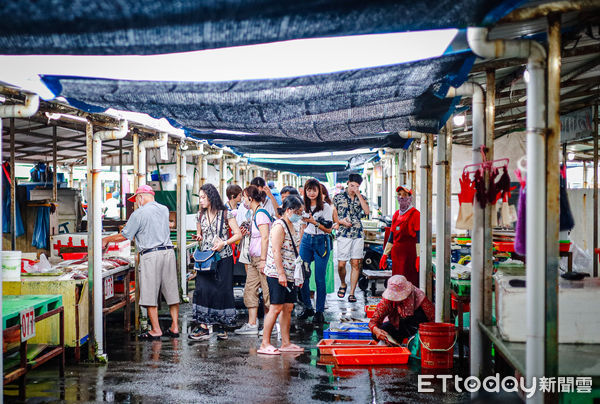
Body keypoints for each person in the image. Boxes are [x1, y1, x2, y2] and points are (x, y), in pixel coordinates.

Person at [102, 185, 179, 340]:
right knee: (171, 291)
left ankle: (156, 330)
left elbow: (125, 235)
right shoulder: (164, 209)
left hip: (151, 256)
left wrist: (105, 239)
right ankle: (175, 326)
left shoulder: (138, 213)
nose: (136, 203)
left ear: (141, 197)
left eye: (136, 200)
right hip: (168, 253)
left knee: (150, 293)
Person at [190, 183, 242, 341]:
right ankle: (204, 327)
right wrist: (198, 237)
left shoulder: (226, 214)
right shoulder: (199, 215)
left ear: (211, 197)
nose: (201, 200)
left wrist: (224, 243)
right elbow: (200, 234)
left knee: (222, 291)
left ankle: (221, 327)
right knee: (203, 290)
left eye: (203, 197)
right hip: (205, 259)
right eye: (199, 197)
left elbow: (238, 235)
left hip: (223, 259)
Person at [258, 195, 305, 355]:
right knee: (275, 307)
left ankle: (286, 343)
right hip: (277, 273)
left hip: (291, 272)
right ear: (288, 210)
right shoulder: (279, 226)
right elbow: (276, 251)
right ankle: (265, 343)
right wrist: (281, 274)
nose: (300, 214)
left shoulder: (295, 225)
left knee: (288, 307)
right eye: (298, 211)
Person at [235, 185, 273, 335]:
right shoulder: (253, 214)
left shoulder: (261, 214)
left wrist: (263, 260)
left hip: (261, 259)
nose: (243, 200)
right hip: (253, 259)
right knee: (250, 289)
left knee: (267, 291)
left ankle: (271, 325)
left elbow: (265, 237)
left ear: (250, 198)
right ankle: (252, 324)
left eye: (244, 197)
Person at [297, 179, 333, 324]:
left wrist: (314, 222)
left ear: (319, 191)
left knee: (319, 278)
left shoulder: (325, 207)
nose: (311, 193)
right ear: (305, 192)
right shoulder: (302, 206)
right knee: (302, 275)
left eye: (314, 190)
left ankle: (319, 312)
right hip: (306, 240)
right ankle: (307, 306)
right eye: (308, 190)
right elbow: (300, 226)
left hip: (321, 241)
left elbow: (329, 229)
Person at [333, 173, 370, 303]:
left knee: (356, 263)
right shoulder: (338, 197)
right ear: (348, 183)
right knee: (341, 264)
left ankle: (352, 293)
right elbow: (333, 216)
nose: (353, 188)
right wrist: (341, 222)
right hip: (343, 233)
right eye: (352, 185)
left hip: (358, 233)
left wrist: (359, 195)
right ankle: (343, 283)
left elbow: (366, 212)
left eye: (357, 186)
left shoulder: (362, 198)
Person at [368, 275, 434, 344]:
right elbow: (373, 322)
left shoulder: (419, 296)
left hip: (417, 328)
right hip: (398, 327)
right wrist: (376, 330)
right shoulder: (387, 301)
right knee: (376, 333)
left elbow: (432, 319)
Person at [379, 185, 421, 286]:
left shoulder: (415, 214)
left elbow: (419, 238)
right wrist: (385, 254)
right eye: (399, 194)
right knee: (396, 284)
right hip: (396, 257)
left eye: (405, 195)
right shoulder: (396, 214)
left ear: (410, 198)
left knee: (408, 283)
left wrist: (419, 256)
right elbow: (391, 237)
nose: (401, 197)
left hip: (409, 257)